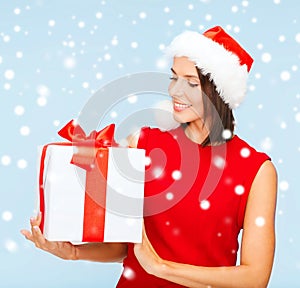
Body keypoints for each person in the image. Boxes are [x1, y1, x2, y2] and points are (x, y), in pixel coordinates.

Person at [21, 26, 277, 288]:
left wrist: (161, 268)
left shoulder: (257, 170)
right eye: (173, 77)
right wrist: (74, 252)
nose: (175, 91)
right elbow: (125, 244)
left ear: (219, 92)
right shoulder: (143, 144)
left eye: (190, 82)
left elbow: (254, 279)